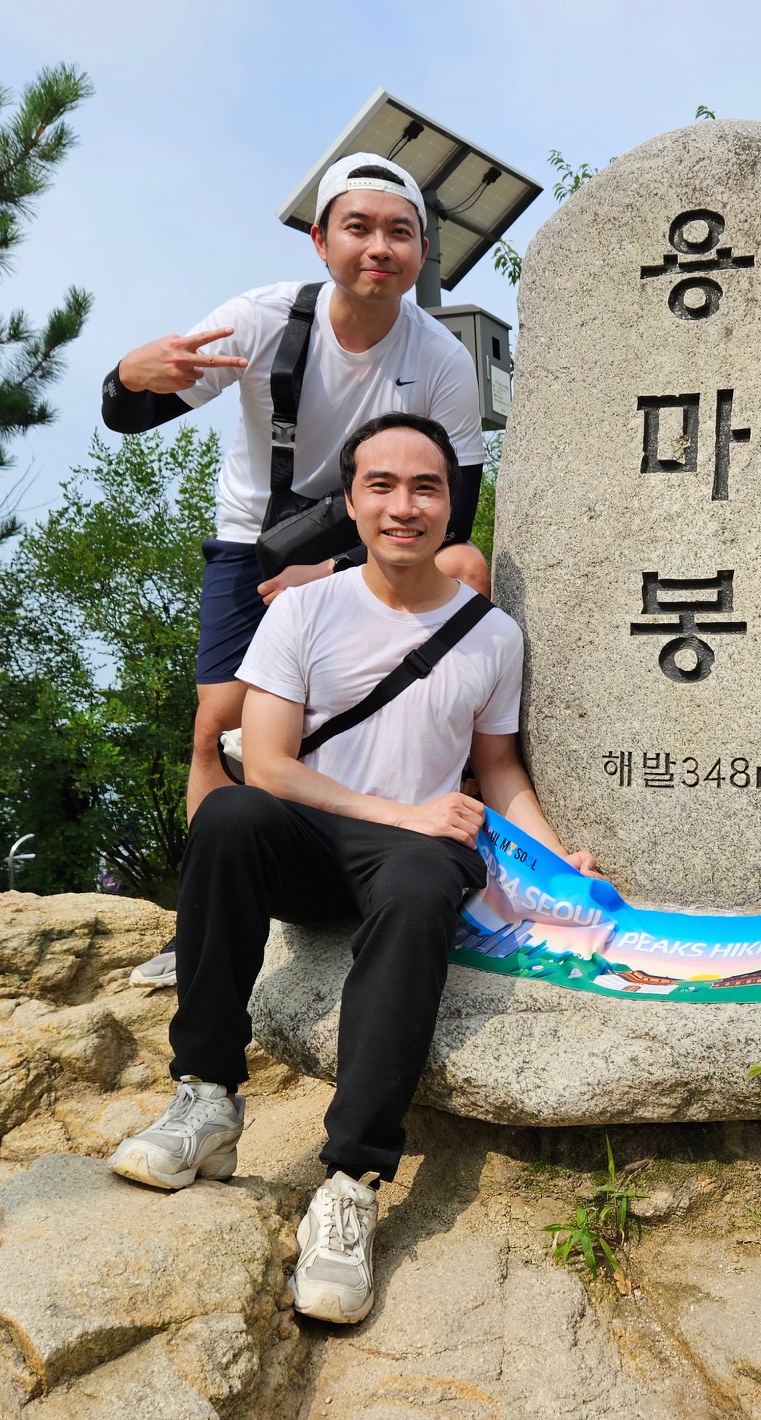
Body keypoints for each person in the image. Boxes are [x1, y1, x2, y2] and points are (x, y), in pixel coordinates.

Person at [106, 413, 596, 1325]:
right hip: (317, 834)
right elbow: (272, 760)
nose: (403, 507)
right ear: (352, 502)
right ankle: (206, 1098)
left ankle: (351, 1184)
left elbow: (497, 769)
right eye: (382, 486)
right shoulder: (303, 608)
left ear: (452, 504)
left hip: (411, 859)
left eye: (426, 488)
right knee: (231, 812)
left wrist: (553, 858)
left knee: (421, 879)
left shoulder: (491, 636)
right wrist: (403, 809)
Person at [102, 152, 491, 990]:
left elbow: (451, 511)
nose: (378, 248)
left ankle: (443, 835)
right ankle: (198, 923)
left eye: (400, 232)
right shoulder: (263, 319)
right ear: (320, 240)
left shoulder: (444, 361)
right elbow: (135, 410)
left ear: (423, 252)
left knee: (466, 565)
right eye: (358, 227)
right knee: (216, 725)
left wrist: (339, 571)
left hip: (372, 542)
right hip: (255, 539)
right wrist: (125, 379)